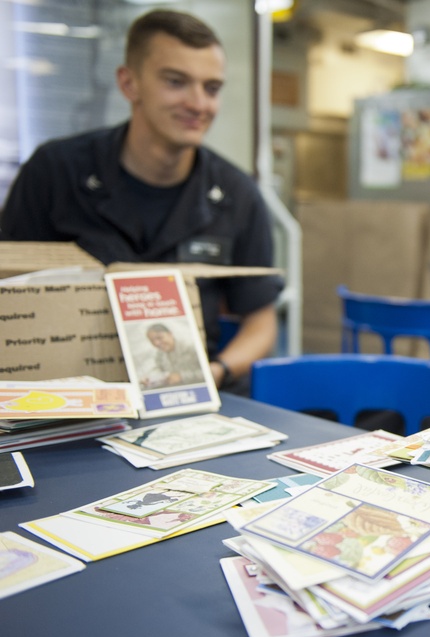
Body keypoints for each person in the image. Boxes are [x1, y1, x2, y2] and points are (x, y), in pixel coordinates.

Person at [0, 9, 282, 393]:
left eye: (211, 88)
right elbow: (9, 296)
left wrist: (213, 372)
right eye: (176, 82)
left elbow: (261, 321)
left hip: (187, 400)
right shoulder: (55, 172)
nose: (199, 104)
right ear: (129, 83)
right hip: (66, 400)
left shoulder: (237, 194)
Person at [142, 323, 203, 389]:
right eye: (152, 341)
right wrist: (150, 378)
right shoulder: (160, 354)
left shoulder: (191, 347)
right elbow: (158, 369)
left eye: (159, 338)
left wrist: (182, 377)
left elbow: (206, 373)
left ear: (170, 334)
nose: (156, 343)